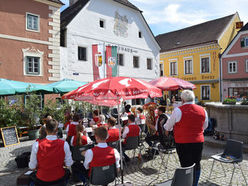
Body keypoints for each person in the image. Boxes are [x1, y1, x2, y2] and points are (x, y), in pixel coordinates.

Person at [164, 90, 208, 186]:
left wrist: (166, 129)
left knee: (185, 165)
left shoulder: (178, 110)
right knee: (197, 163)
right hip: (198, 141)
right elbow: (205, 126)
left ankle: (187, 183)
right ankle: (194, 183)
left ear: (183, 100)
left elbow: (168, 126)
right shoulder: (203, 110)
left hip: (183, 141)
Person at [29, 119, 73, 185]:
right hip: (59, 178)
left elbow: (32, 166)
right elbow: (69, 164)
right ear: (57, 130)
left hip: (42, 179)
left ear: (46, 130)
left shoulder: (37, 144)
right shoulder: (64, 144)